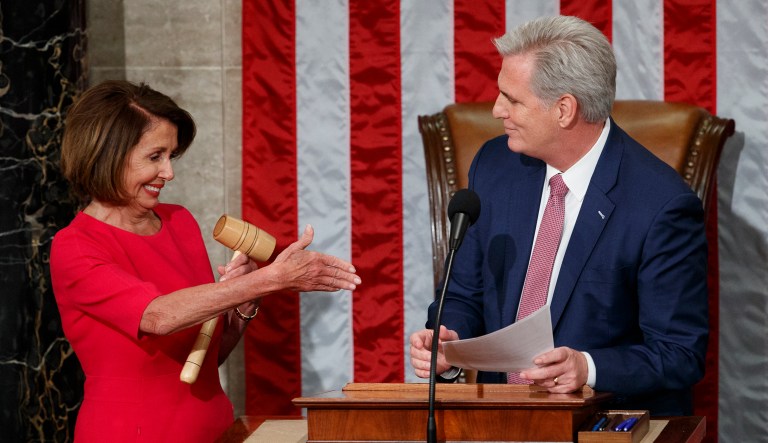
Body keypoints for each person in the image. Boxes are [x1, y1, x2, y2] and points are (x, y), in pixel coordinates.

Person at [410, 15, 708, 416]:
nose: (498, 109)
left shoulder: (661, 205)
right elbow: (463, 294)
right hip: (496, 419)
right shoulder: (495, 166)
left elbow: (679, 353)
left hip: (602, 419)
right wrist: (448, 343)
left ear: (564, 109)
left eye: (512, 99)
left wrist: (587, 368)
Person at [50, 80, 362, 442]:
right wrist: (271, 279)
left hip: (215, 430)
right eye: (155, 157)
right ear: (107, 154)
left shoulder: (179, 221)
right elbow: (158, 317)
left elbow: (206, 357)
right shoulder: (75, 246)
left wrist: (244, 302)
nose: (169, 172)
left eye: (171, 156)